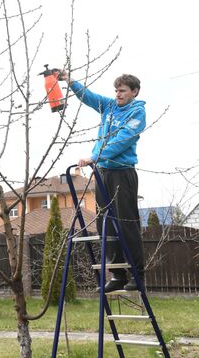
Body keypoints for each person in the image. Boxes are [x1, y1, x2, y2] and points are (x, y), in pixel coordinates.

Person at [59, 71, 146, 293]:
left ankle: (137, 274)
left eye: (123, 91)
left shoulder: (137, 112)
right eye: (116, 90)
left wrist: (96, 156)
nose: (118, 94)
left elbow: (123, 140)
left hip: (122, 173)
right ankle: (117, 275)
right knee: (104, 222)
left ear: (134, 92)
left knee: (126, 223)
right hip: (102, 172)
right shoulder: (109, 106)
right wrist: (69, 80)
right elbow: (88, 96)